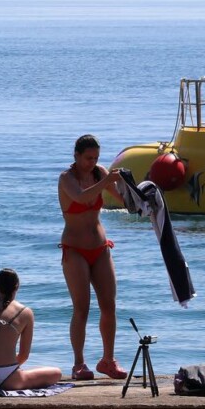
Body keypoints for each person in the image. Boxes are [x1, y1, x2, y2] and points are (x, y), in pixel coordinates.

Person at [58, 134, 127, 380]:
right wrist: (107, 179)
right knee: (82, 308)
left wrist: (129, 188)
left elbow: (121, 199)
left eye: (96, 158)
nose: (92, 162)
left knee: (109, 306)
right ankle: (79, 364)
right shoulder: (66, 178)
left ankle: (108, 360)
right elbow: (82, 197)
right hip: (75, 249)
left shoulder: (99, 172)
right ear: (76, 156)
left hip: (99, 247)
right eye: (88, 158)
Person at [0, 269, 62, 391]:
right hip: (9, 379)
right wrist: (5, 368)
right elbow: (24, 355)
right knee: (56, 373)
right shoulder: (26, 312)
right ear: (17, 287)